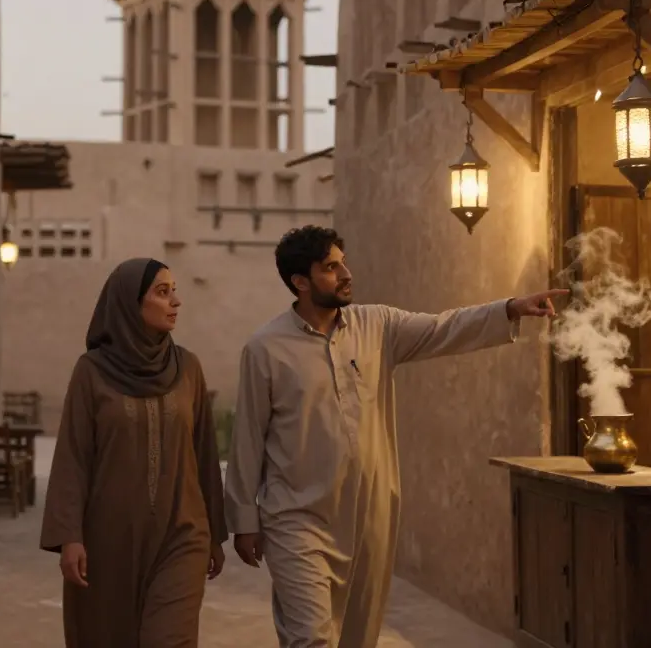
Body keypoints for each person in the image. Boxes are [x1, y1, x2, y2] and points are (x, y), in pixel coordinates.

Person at [223, 226, 567, 648]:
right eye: (331, 268)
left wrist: (511, 308)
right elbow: (248, 439)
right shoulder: (266, 348)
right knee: (309, 637)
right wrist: (243, 521)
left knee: (356, 637)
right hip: (296, 517)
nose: (346, 273)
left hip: (370, 516)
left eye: (343, 261)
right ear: (300, 282)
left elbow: (445, 328)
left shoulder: (378, 325)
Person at [40, 257, 228, 648]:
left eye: (174, 290)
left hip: (182, 535)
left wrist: (214, 533)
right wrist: (69, 536)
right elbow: (73, 457)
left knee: (169, 639)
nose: (175, 301)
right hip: (108, 542)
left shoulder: (188, 368)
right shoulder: (91, 371)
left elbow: (205, 455)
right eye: (162, 292)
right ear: (129, 303)